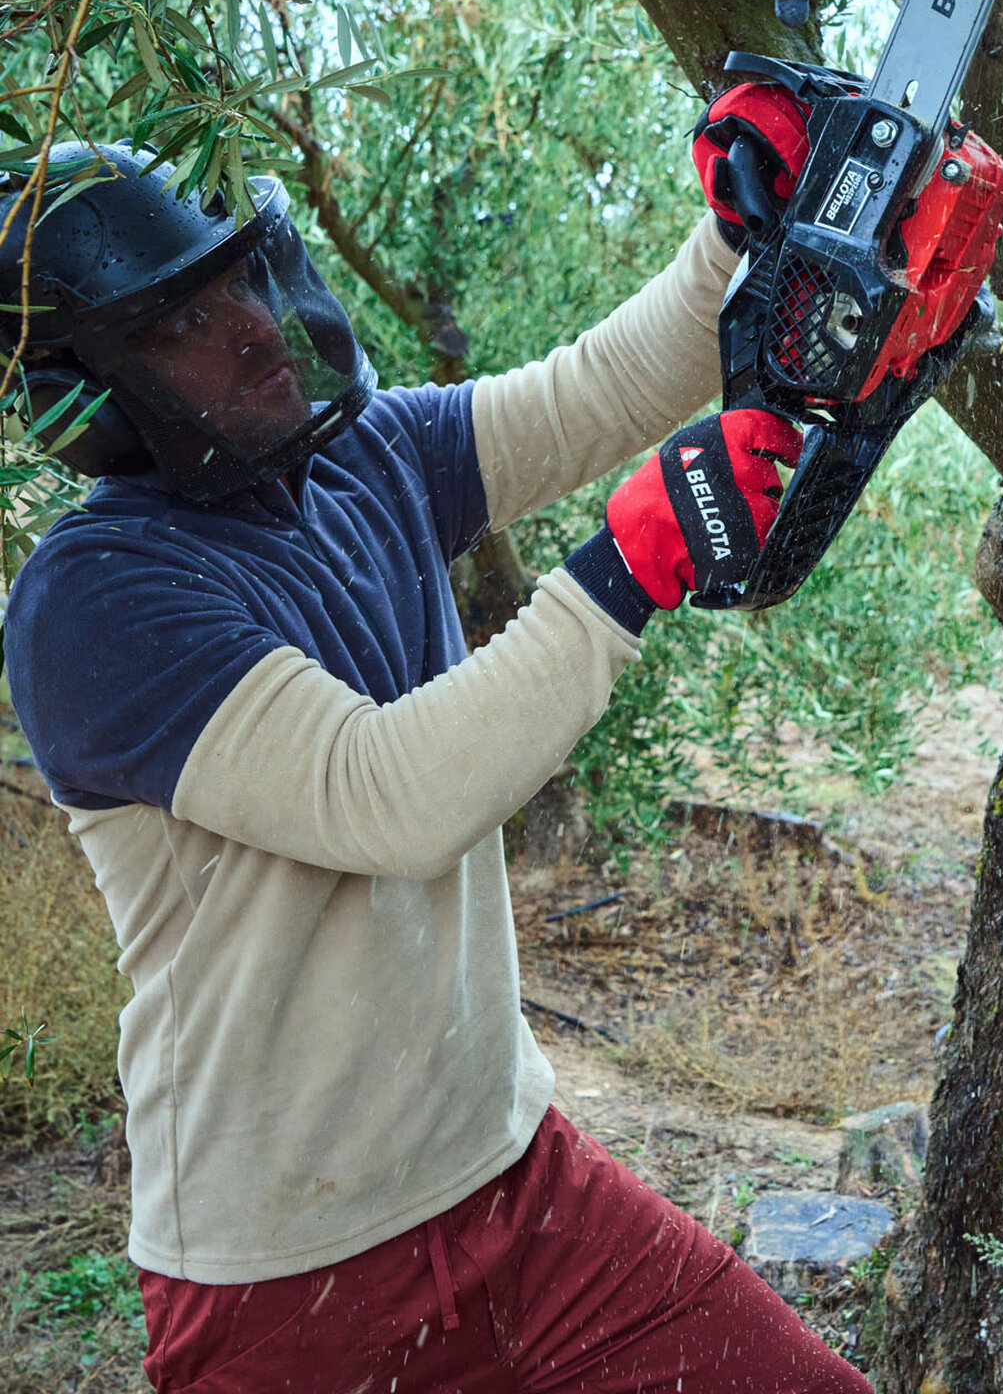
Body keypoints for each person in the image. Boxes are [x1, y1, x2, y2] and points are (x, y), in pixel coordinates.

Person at [0, 102, 876, 1394]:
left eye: (240, 281)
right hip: (286, 1274)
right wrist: (628, 568)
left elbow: (603, 390)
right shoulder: (97, 602)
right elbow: (388, 796)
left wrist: (741, 234)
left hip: (518, 1180)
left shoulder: (361, 460)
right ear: (92, 397)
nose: (253, 327)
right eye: (182, 323)